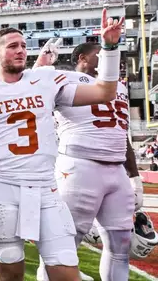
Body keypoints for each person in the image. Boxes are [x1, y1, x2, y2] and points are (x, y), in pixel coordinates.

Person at [0, 10, 123, 281]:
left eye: (23, 46)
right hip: (3, 189)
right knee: (11, 274)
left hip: (46, 189)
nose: (21, 51)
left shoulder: (45, 80)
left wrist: (109, 47)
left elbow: (104, 93)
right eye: (12, 46)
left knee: (66, 272)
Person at [35, 38, 141, 281]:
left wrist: (134, 176)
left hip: (117, 170)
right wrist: (40, 67)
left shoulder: (120, 87)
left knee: (120, 246)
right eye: (99, 54)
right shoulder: (63, 77)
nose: (108, 58)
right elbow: (31, 91)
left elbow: (121, 135)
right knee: (63, 244)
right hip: (80, 166)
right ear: (82, 58)